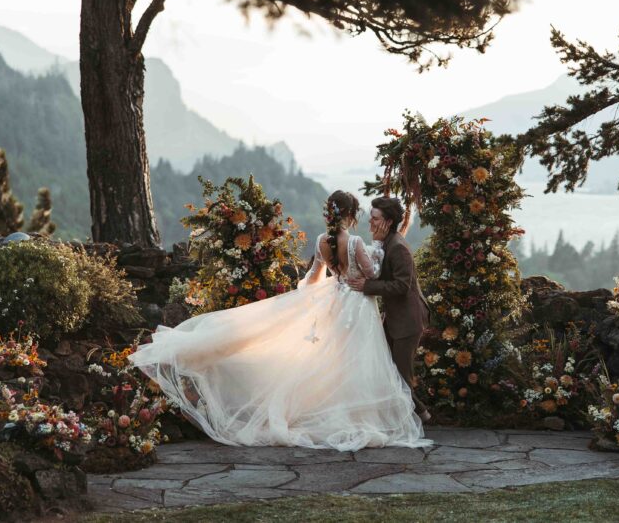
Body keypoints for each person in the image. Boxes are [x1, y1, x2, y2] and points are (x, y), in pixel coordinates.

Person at [127, 190, 431, 452]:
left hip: (336, 306)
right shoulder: (355, 245)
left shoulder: (321, 242)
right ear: (350, 217)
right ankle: (371, 414)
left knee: (340, 363)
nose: (367, 222)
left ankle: (363, 410)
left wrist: (305, 301)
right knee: (358, 363)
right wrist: (368, 268)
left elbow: (313, 279)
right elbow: (370, 277)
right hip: (358, 307)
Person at [346, 197, 431, 422]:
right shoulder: (386, 242)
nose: (370, 223)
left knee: (401, 376)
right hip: (395, 319)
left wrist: (367, 286)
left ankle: (417, 418)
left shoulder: (398, 248)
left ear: (388, 221)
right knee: (389, 371)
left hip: (408, 320)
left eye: (375, 219)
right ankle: (419, 414)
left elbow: (402, 286)